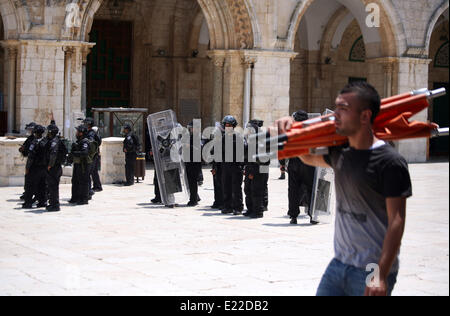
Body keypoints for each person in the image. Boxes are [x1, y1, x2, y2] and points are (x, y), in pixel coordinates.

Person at [274, 81, 411, 296]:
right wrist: (293, 130)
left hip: (370, 269)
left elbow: (397, 221)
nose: (335, 114)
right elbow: (308, 157)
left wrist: (380, 274)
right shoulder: (342, 153)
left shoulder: (390, 162)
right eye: (337, 107)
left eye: (344, 109)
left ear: (365, 116)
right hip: (339, 265)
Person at [286, 110, 316, 225]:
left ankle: (293, 216)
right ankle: (313, 215)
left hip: (294, 164)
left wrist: (283, 163)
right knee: (310, 190)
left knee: (293, 190)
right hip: (308, 164)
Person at [243, 119, 270, 219]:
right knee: (248, 189)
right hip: (251, 168)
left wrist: (254, 172)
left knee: (257, 189)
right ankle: (251, 209)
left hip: (258, 169)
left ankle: (258, 210)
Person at [220, 115, 244, 215]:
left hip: (236, 166)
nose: (227, 127)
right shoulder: (224, 137)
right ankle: (227, 206)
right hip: (226, 166)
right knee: (226, 187)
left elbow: (243, 152)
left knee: (236, 188)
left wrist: (242, 166)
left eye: (229, 125)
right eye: (226, 125)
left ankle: (238, 207)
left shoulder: (238, 137)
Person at [22, 125, 47, 209]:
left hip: (34, 167)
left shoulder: (34, 142)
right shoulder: (46, 141)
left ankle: (28, 203)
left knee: (30, 186)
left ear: (35, 133)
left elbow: (31, 156)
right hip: (44, 168)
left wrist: (27, 168)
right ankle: (42, 202)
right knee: (42, 185)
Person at [44, 124, 65, 212]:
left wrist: (50, 165)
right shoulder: (55, 140)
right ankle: (53, 203)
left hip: (54, 167)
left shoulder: (54, 142)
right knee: (52, 186)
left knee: (53, 186)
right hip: (55, 167)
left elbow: (53, 154)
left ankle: (55, 205)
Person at [68, 125, 92, 205]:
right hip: (77, 163)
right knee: (75, 181)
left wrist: (74, 153)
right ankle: (75, 198)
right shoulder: (78, 141)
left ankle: (84, 199)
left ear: (81, 133)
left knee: (83, 181)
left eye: (78, 131)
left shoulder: (85, 142)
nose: (76, 133)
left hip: (84, 165)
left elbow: (85, 153)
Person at [185, 121, 203, 206]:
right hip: (189, 162)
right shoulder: (191, 136)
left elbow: (199, 149)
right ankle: (196, 197)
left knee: (192, 182)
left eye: (192, 128)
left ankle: (193, 200)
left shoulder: (198, 137)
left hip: (194, 163)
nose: (190, 129)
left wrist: (189, 146)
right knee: (190, 182)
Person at [83, 117, 103, 194]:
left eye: (85, 123)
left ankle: (95, 187)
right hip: (95, 155)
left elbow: (90, 143)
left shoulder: (91, 133)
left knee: (91, 171)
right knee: (94, 171)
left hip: (93, 155)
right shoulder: (91, 132)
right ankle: (97, 186)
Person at [19, 122, 37, 201]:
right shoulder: (29, 139)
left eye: (31, 129)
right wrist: (22, 150)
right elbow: (26, 150)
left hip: (36, 163)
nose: (29, 131)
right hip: (30, 161)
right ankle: (27, 192)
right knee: (28, 178)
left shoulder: (37, 139)